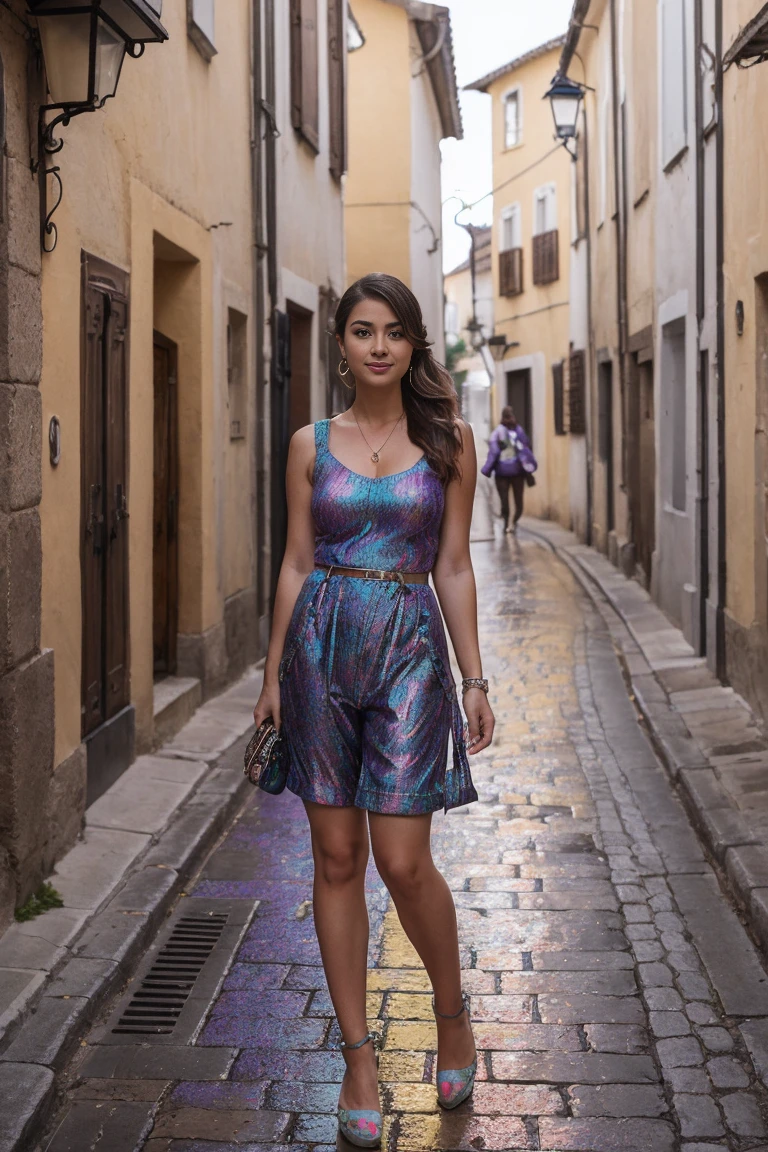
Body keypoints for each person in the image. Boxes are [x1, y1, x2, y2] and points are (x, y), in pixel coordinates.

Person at [253, 272, 494, 1148]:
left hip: (409, 659)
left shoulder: (449, 440)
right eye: (362, 330)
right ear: (342, 344)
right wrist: (275, 675)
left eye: (394, 331)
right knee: (336, 854)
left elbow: (456, 566)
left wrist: (474, 677)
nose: (379, 346)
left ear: (413, 342)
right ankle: (360, 1058)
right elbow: (294, 561)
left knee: (402, 860)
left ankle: (453, 1013)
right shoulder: (309, 444)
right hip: (319, 652)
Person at [480, 406, 534, 533]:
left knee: (505, 501)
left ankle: (506, 525)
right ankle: (513, 523)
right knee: (518, 502)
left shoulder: (497, 432)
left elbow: (493, 452)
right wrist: (529, 468)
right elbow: (526, 449)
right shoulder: (519, 431)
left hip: (501, 473)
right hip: (517, 473)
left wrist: (487, 469)